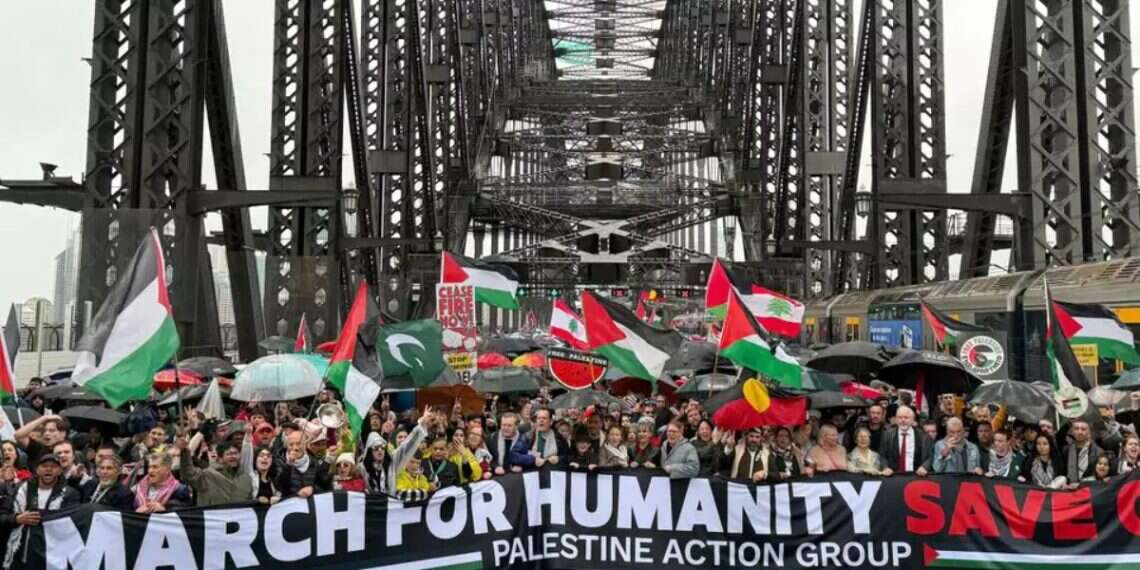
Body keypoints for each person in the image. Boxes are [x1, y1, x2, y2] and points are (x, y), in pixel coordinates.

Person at [2, 454, 81, 568]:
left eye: (53, 466)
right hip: (19, 554)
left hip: (51, 557)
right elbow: (3, 517)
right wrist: (17, 518)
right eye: (44, 466)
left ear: (59, 471)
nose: (48, 469)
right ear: (37, 470)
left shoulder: (70, 494)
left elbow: (72, 527)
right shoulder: (20, 489)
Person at [176, 429, 253, 507]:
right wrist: (184, 452)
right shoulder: (207, 475)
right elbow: (188, 474)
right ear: (219, 459)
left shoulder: (246, 478)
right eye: (229, 454)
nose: (233, 456)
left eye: (236, 453)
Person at [276, 425, 332, 498]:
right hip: (291, 507)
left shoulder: (314, 462)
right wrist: (288, 465)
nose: (295, 448)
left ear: (305, 444)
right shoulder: (280, 461)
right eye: (291, 444)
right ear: (287, 446)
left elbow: (324, 486)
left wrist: (313, 489)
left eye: (298, 443)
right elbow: (280, 487)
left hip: (310, 506)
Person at [880, 406, 932, 476]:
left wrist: (924, 467)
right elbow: (882, 455)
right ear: (896, 419)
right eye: (900, 417)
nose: (903, 420)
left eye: (906, 417)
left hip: (916, 477)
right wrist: (885, 467)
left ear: (913, 419)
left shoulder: (923, 436)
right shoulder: (887, 435)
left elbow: (930, 456)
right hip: (893, 477)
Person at [1065, 419, 1103, 485]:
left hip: (1090, 488)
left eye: (1083, 429)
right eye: (1076, 429)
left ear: (1088, 432)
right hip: (1070, 489)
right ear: (1072, 431)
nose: (1080, 432)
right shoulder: (1066, 450)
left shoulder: (1098, 451)